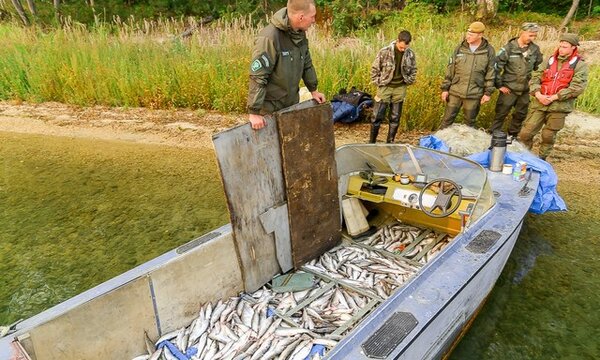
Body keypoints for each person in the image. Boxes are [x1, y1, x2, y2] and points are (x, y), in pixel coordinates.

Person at [247, 0, 326, 130]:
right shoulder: (269, 38)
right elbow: (258, 76)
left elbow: (306, 63)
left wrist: (314, 90)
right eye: (312, 16)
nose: (314, 20)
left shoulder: (299, 34)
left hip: (290, 104)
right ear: (301, 17)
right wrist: (254, 112)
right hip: (269, 108)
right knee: (270, 148)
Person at [518, 33, 588, 160]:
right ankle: (525, 157)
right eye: (560, 46)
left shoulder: (579, 65)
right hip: (539, 103)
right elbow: (535, 77)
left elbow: (577, 87)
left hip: (559, 106)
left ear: (573, 48)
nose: (561, 49)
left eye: (565, 47)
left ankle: (542, 159)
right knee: (525, 133)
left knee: (548, 136)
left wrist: (554, 97)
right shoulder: (549, 60)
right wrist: (538, 94)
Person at [489, 23, 543, 138]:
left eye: (534, 36)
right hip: (509, 89)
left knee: (520, 115)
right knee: (501, 114)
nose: (532, 38)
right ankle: (493, 137)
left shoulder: (535, 49)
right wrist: (499, 85)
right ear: (522, 33)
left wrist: (534, 84)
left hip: (524, 89)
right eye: (530, 35)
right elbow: (496, 68)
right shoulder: (508, 48)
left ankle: (513, 137)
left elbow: (539, 68)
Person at [439, 21, 495, 129]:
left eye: (471, 34)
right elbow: (450, 69)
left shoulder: (488, 51)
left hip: (474, 94)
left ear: (480, 35)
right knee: (446, 120)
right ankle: (439, 143)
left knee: (469, 123)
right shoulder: (460, 47)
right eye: (467, 33)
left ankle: (465, 145)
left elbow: (491, 72)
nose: (467, 36)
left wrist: (488, 92)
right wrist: (445, 89)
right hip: (455, 91)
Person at [369, 30, 417, 143]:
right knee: (376, 116)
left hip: (400, 87)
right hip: (385, 86)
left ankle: (390, 142)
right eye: (401, 47)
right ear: (397, 41)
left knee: (395, 118)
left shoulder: (410, 54)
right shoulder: (384, 52)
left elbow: (414, 69)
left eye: (405, 48)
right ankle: (372, 142)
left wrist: (410, 80)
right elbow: (374, 68)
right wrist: (378, 82)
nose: (403, 50)